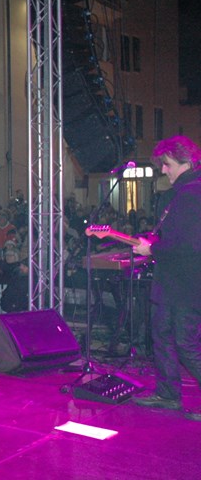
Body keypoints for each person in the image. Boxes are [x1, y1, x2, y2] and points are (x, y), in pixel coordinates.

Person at [131, 136, 201, 420]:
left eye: (167, 164)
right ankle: (168, 393)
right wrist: (152, 242)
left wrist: (153, 248)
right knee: (160, 335)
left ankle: (169, 393)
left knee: (186, 343)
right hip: (171, 281)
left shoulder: (192, 194)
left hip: (185, 284)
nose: (163, 170)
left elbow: (190, 246)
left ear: (185, 162)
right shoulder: (181, 193)